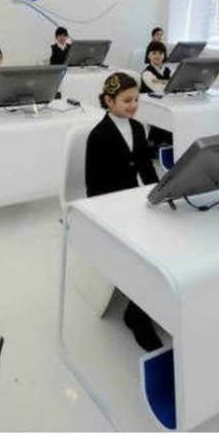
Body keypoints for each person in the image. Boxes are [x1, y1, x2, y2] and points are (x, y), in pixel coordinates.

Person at [85, 73, 162, 351]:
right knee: (147, 251)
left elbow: (146, 169)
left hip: (138, 202)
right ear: (109, 101)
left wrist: (159, 194)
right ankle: (136, 314)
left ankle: (155, 302)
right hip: (113, 210)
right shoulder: (98, 136)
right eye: (127, 100)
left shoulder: (139, 129)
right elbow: (93, 188)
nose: (133, 105)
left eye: (136, 100)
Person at [141, 41, 174, 150]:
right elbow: (161, 89)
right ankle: (157, 144)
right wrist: (166, 82)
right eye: (154, 53)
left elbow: (175, 85)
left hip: (166, 102)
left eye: (160, 53)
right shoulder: (147, 73)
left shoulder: (168, 70)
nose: (157, 56)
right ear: (148, 55)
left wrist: (161, 81)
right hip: (150, 105)